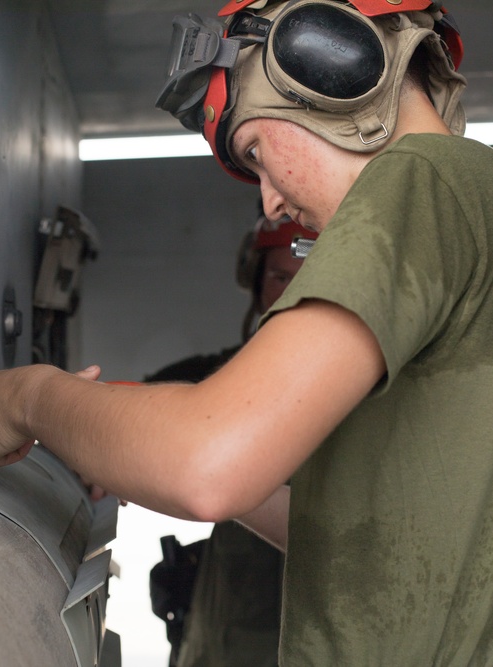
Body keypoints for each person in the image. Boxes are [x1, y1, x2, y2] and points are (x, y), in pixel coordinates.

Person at [0, 2, 493, 662]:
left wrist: (29, 399)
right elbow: (379, 545)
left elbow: (208, 464)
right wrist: (113, 437)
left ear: (331, 69)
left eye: (255, 151)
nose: (270, 201)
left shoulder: (417, 181)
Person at [147, 208, 315, 667]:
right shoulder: (218, 379)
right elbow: (141, 405)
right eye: (281, 277)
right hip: (222, 637)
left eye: (312, 278)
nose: (295, 295)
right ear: (255, 282)